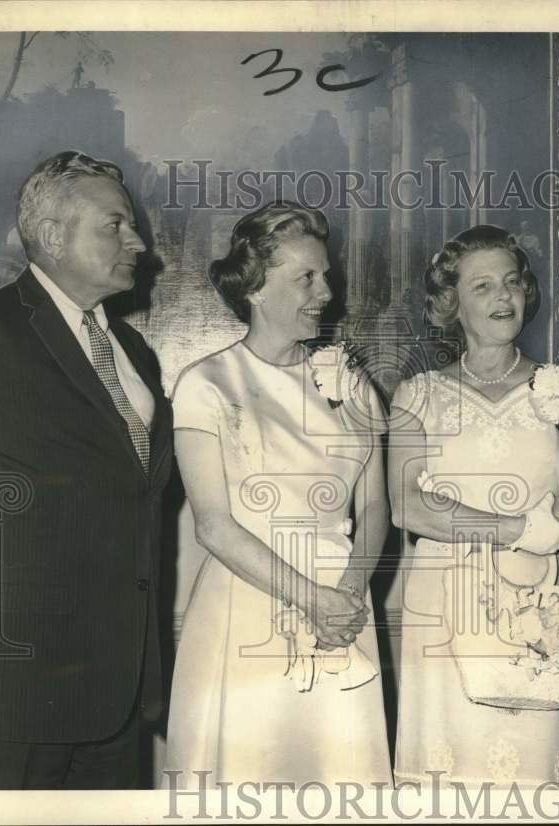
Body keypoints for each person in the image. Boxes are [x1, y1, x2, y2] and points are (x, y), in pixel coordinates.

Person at [0, 151, 173, 789]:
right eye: (115, 226)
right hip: (3, 696)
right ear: (55, 237)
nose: (137, 242)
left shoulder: (135, 353)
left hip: (114, 695)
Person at [163, 202, 391, 787]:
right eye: (306, 278)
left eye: (327, 276)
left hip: (343, 606)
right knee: (249, 774)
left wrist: (347, 592)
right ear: (257, 288)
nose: (326, 292)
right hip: (248, 608)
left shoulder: (352, 383)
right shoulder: (206, 384)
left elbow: (373, 506)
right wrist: (313, 599)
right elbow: (213, 526)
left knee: (338, 778)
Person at [389, 225, 559, 787]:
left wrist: (502, 528)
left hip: (535, 602)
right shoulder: (417, 395)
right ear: (450, 302)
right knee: (447, 780)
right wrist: (525, 525)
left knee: (531, 776)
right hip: (441, 605)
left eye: (511, 282)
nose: (503, 297)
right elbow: (408, 509)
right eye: (482, 286)